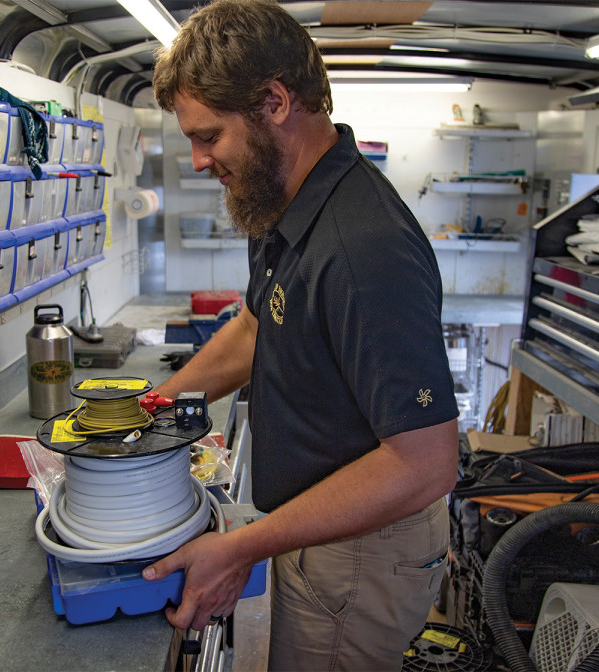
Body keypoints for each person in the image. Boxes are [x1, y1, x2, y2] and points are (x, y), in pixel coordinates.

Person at [141, 0, 460, 668]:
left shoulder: (364, 247)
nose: (199, 160)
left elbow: (423, 464)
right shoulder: (281, 203)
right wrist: (151, 411)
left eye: (208, 136)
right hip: (319, 526)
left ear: (274, 102)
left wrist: (242, 546)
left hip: (362, 550)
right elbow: (257, 326)